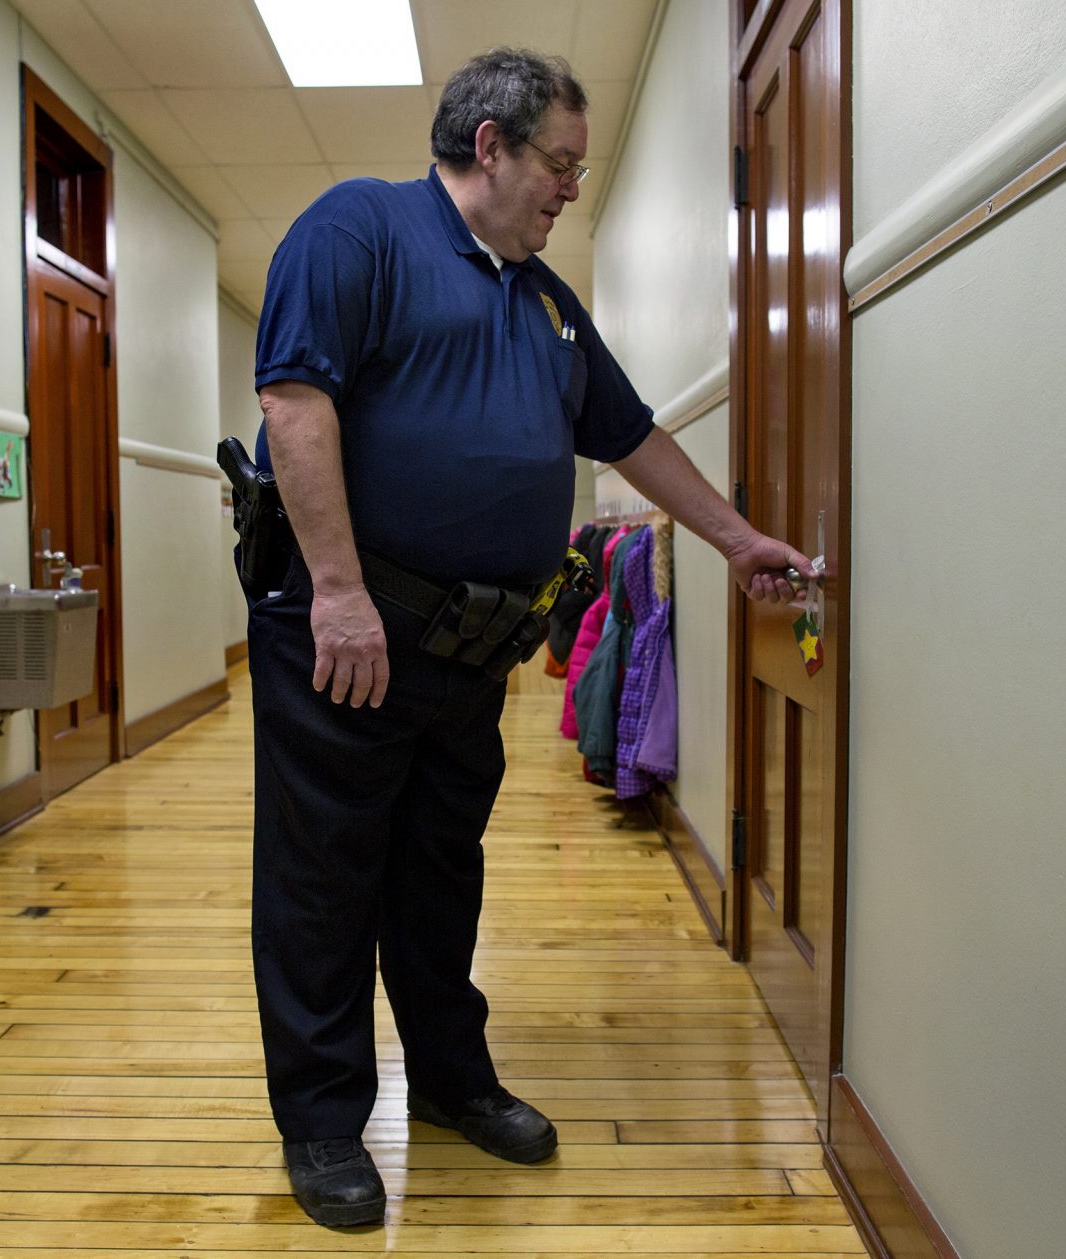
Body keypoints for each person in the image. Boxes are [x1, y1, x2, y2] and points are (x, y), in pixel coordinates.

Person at [246, 47, 813, 1228]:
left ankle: (452, 1080)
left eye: (580, 169)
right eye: (559, 162)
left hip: (473, 652)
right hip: (357, 632)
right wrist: (339, 591)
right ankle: (323, 1121)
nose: (569, 187)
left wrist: (735, 537)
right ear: (489, 144)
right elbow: (294, 403)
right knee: (324, 879)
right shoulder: (362, 229)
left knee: (442, 876)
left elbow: (632, 435)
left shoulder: (548, 303)